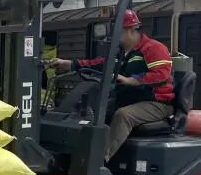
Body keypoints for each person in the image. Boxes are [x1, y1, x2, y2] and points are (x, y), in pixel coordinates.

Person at [49, 9, 174, 161]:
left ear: (131, 30)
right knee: (90, 113)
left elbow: (161, 74)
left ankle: (99, 161)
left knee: (123, 115)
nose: (114, 35)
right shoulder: (119, 53)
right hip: (128, 100)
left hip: (156, 103)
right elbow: (97, 63)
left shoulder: (153, 48)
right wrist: (67, 63)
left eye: (117, 31)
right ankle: (73, 155)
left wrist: (130, 80)